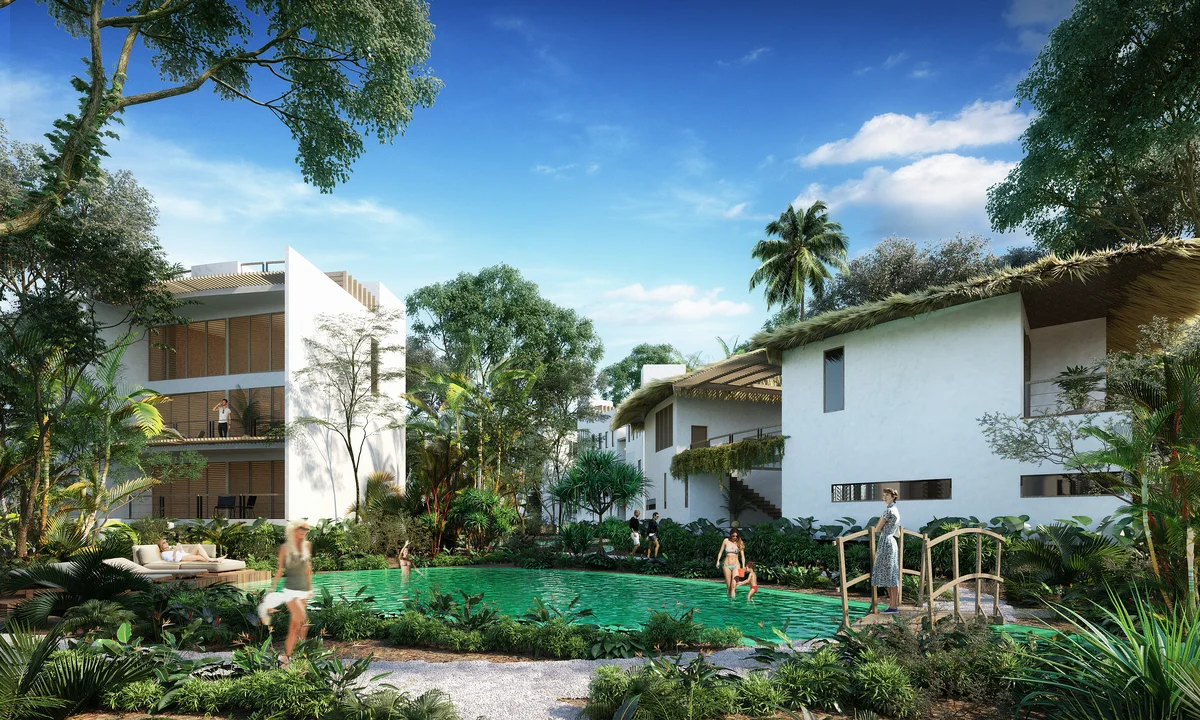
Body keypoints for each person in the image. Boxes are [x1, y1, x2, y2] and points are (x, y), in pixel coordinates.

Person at [257, 521, 314, 663]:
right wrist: (272, 588)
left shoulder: (307, 546)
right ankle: (300, 655)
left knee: (294, 626)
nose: (304, 531)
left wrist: (310, 588)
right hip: (291, 591)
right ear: (294, 529)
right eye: (301, 528)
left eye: (306, 529)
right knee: (303, 621)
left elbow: (308, 569)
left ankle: (287, 657)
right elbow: (280, 569)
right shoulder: (285, 548)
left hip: (304, 591)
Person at [872, 488, 902, 614]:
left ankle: (893, 606)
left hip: (886, 542)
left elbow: (877, 529)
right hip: (892, 542)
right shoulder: (896, 510)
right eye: (883, 495)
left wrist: (879, 527)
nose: (884, 497)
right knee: (891, 574)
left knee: (890, 574)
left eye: (887, 495)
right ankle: (892, 604)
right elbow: (898, 533)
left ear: (893, 497)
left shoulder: (888, 511)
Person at [715, 528, 745, 598]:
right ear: (730, 535)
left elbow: (743, 556)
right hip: (726, 565)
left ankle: (733, 603)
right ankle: (729, 602)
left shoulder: (739, 542)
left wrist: (743, 566)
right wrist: (718, 561)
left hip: (736, 565)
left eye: (736, 536)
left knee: (733, 586)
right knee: (729, 587)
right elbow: (720, 552)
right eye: (733, 536)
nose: (735, 538)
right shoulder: (726, 541)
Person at [157, 538, 224, 562]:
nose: (166, 543)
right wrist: (174, 551)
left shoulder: (170, 549)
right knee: (199, 557)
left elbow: (181, 553)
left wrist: (181, 549)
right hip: (181, 558)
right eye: (164, 543)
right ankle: (214, 560)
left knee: (198, 545)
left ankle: (212, 560)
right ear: (161, 546)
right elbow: (173, 560)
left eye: (166, 541)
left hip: (185, 555)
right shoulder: (164, 554)